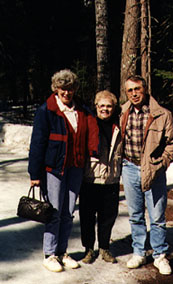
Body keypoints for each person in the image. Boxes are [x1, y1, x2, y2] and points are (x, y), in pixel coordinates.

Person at [28, 69, 99, 272]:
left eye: (70, 88)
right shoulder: (47, 111)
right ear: (56, 89)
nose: (66, 92)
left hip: (75, 167)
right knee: (54, 211)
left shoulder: (82, 110)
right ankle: (49, 254)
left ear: (74, 89)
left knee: (68, 212)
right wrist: (35, 174)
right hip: (54, 169)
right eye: (62, 88)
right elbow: (37, 144)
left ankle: (62, 251)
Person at [120, 75, 173, 275]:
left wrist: (162, 162)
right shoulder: (122, 112)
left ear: (145, 89)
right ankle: (139, 252)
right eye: (130, 90)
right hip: (129, 167)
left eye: (137, 89)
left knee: (156, 216)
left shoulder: (162, 114)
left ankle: (159, 255)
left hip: (154, 170)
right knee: (135, 215)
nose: (134, 93)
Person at [79, 90, 122, 264]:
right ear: (96, 106)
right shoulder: (89, 123)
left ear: (114, 108)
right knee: (87, 217)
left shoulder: (119, 125)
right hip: (90, 178)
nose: (105, 109)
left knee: (108, 217)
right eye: (102, 105)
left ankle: (104, 247)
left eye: (109, 106)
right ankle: (89, 249)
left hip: (111, 179)